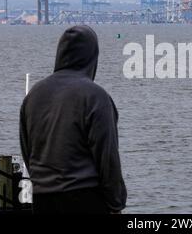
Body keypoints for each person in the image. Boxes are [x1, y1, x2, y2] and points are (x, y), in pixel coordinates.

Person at [19, 25, 127, 214]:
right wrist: (116, 203)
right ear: (92, 59)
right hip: (86, 199)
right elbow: (107, 158)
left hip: (42, 199)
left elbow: (27, 150)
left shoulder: (33, 96)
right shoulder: (95, 97)